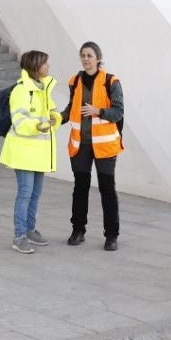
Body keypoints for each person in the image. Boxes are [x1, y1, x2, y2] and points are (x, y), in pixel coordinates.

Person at [62, 41, 123, 251]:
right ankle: (78, 230)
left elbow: (118, 112)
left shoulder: (111, 81)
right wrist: (57, 118)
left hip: (104, 146)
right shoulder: (75, 81)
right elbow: (71, 108)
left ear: (98, 58)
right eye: (83, 55)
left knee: (107, 189)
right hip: (81, 145)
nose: (86, 59)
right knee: (80, 188)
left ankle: (112, 235)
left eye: (89, 55)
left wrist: (98, 111)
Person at [0, 50, 62, 254]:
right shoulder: (21, 91)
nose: (48, 67)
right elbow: (19, 122)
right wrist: (39, 125)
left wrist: (55, 119)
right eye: (45, 64)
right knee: (25, 194)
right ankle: (19, 236)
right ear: (35, 66)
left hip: (39, 151)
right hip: (23, 151)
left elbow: (51, 112)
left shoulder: (43, 88)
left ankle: (30, 230)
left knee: (35, 194)